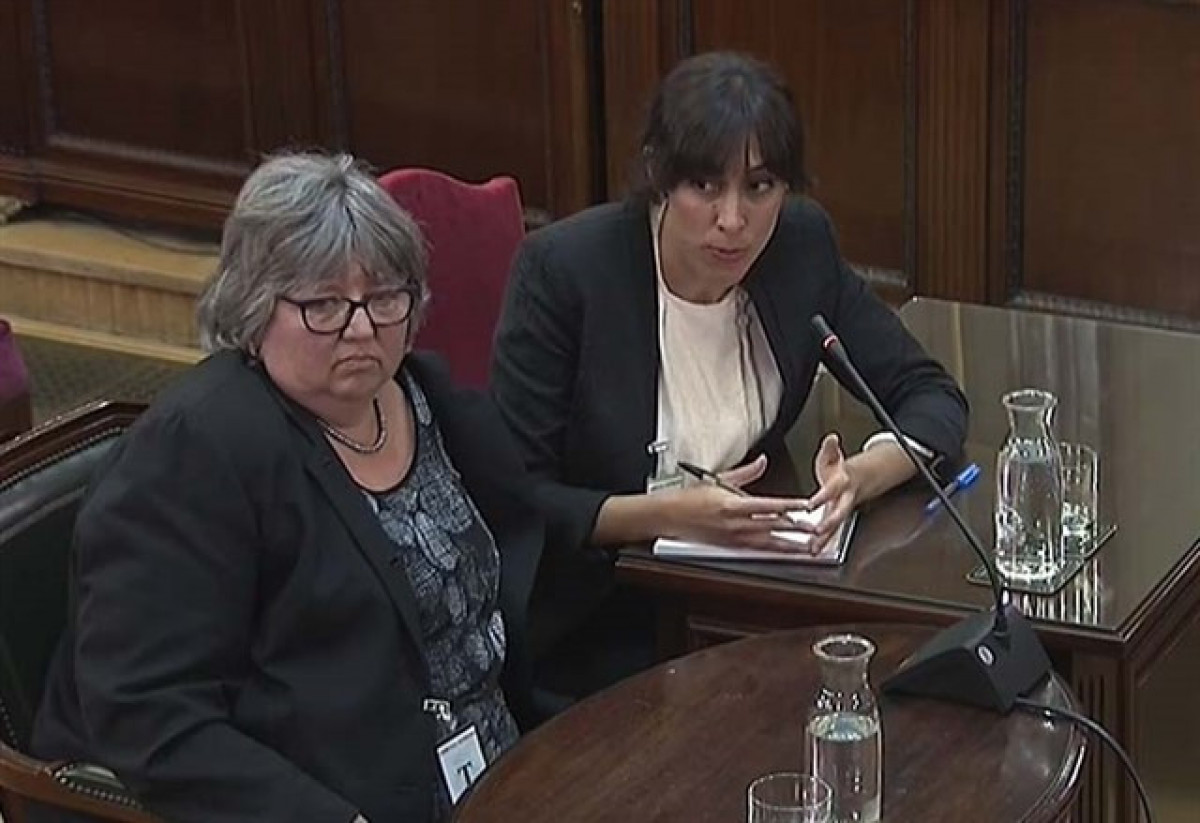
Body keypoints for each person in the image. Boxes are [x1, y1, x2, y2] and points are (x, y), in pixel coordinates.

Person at [32, 153, 543, 823]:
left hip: (503, 769)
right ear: (253, 306)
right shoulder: (193, 455)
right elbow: (147, 712)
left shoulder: (427, 397)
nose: (361, 328)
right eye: (323, 304)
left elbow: (523, 556)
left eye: (384, 297)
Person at [490, 52, 968, 695]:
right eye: (705, 186)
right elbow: (516, 498)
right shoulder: (567, 272)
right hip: (596, 625)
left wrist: (860, 477)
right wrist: (666, 515)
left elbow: (931, 397)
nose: (733, 221)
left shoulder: (799, 246)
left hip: (743, 601)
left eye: (760, 187)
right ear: (659, 174)